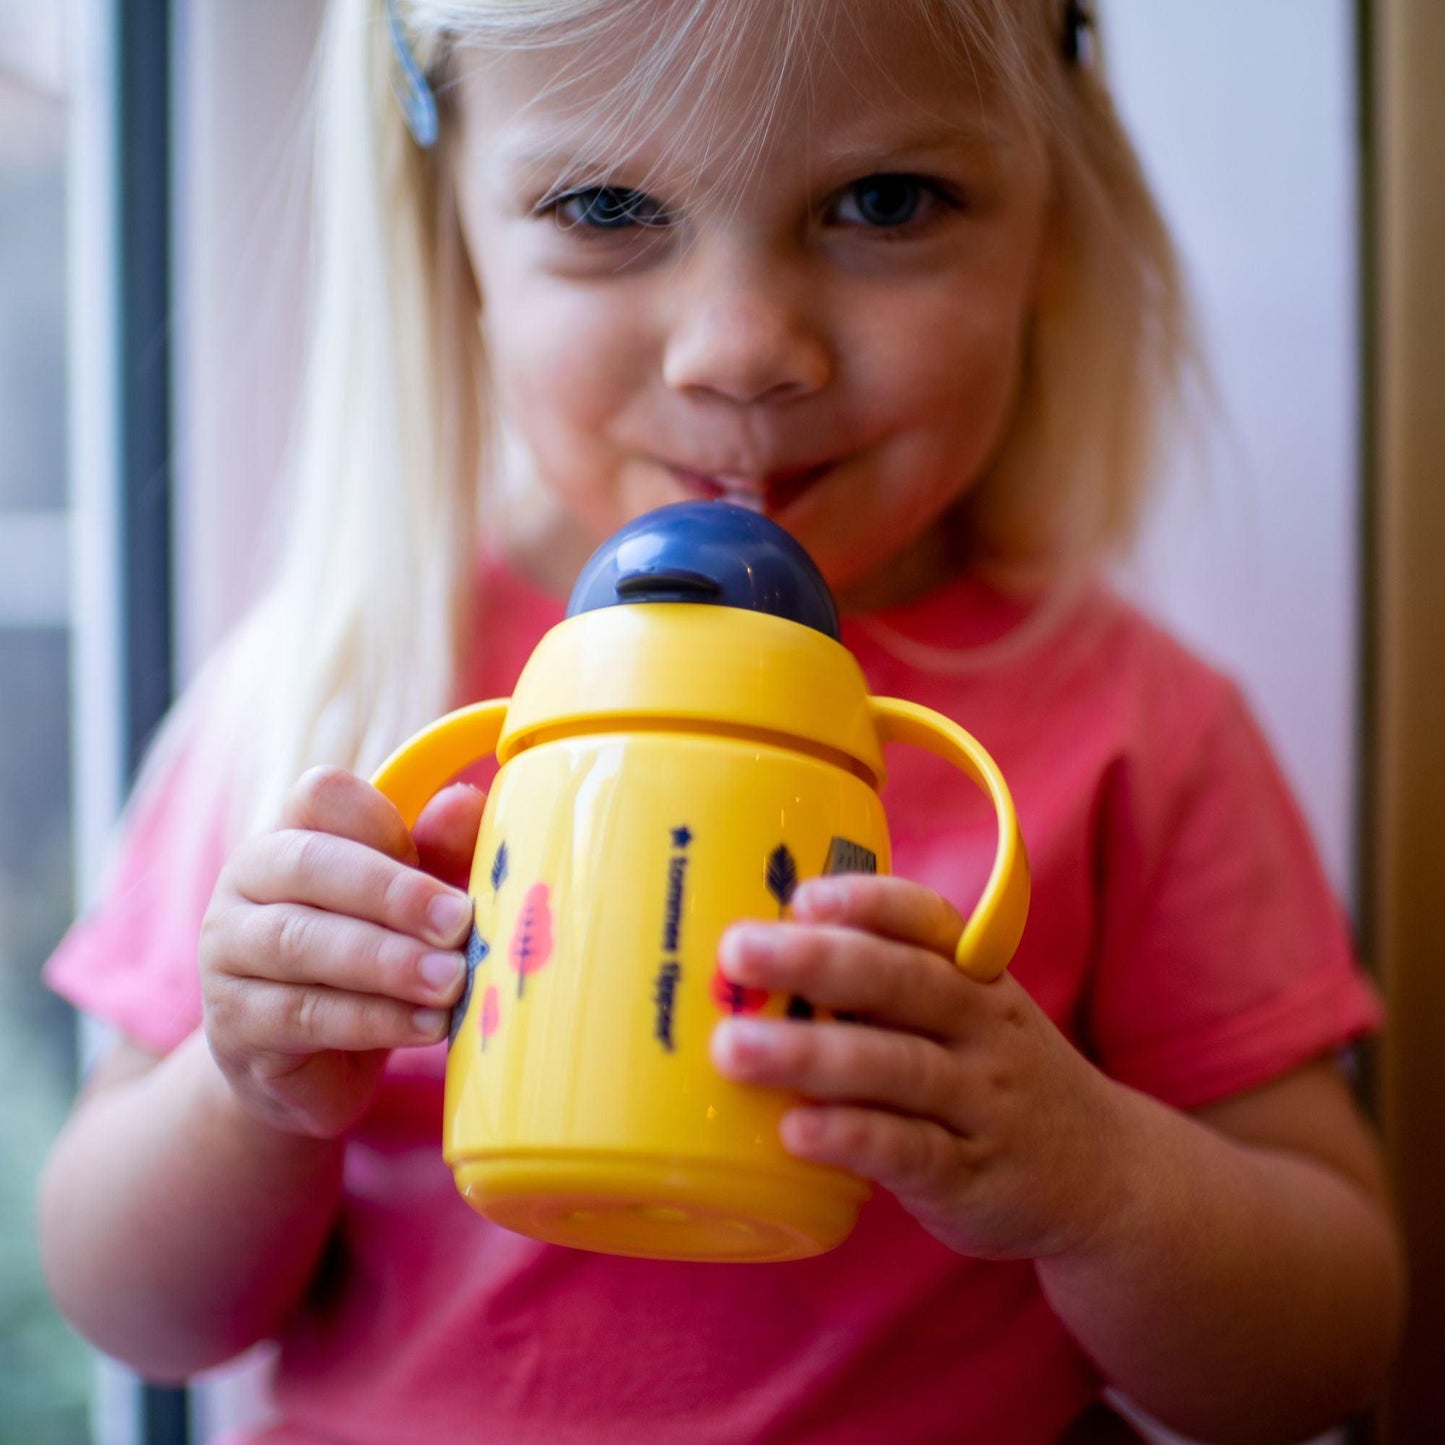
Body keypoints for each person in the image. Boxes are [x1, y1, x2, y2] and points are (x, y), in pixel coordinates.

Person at [38, 1, 1403, 1441]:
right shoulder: (339, 685)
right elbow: (140, 1312)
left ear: (1051, 214)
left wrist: (1098, 1182)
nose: (742, 348)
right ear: (451, 236)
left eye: (884, 201)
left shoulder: (1135, 727)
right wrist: (244, 1089)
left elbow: (1323, 1346)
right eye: (606, 206)